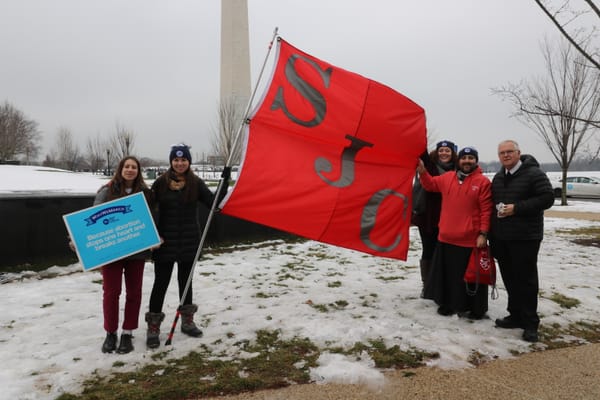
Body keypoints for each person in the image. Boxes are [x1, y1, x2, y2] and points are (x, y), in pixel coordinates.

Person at [146, 144, 230, 348]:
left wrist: (225, 181)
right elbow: (146, 209)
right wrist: (152, 236)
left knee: (186, 283)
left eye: (183, 160)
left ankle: (187, 321)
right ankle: (153, 326)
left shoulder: (195, 183)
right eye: (176, 160)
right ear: (171, 162)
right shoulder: (160, 183)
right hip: (165, 242)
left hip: (189, 241)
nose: (180, 163)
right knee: (161, 283)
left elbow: (214, 203)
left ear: (189, 162)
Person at [490, 140, 554, 343]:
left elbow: (547, 198)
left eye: (510, 152)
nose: (506, 155)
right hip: (502, 237)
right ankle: (515, 315)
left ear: (519, 153)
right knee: (509, 278)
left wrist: (517, 208)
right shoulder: (499, 176)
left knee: (526, 280)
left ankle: (530, 323)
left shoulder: (534, 173)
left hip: (526, 237)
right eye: (502, 153)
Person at [417, 147, 493, 319]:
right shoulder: (447, 178)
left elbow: (486, 211)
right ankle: (448, 304)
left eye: (471, 158)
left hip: (469, 239)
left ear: (476, 161)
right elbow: (430, 184)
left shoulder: (483, 182)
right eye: (464, 158)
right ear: (459, 161)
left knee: (470, 277)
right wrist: (422, 171)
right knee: (449, 277)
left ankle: (474, 308)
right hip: (446, 237)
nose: (467, 161)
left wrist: (483, 233)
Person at [92, 156, 152, 354]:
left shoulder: (145, 193)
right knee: (111, 292)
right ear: (120, 169)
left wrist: (155, 236)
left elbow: (153, 217)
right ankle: (111, 333)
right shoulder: (106, 191)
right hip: (111, 252)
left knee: (134, 292)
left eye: (134, 167)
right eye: (127, 166)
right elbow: (92, 218)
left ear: (138, 171)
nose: (130, 170)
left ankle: (127, 332)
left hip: (137, 251)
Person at [411, 140, 458, 296]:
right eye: (441, 150)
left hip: (450, 218)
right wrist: (418, 127)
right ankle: (428, 285)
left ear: (453, 153)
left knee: (446, 252)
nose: (444, 153)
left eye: (447, 151)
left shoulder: (459, 170)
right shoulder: (430, 166)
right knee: (429, 250)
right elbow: (421, 152)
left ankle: (444, 284)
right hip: (428, 218)